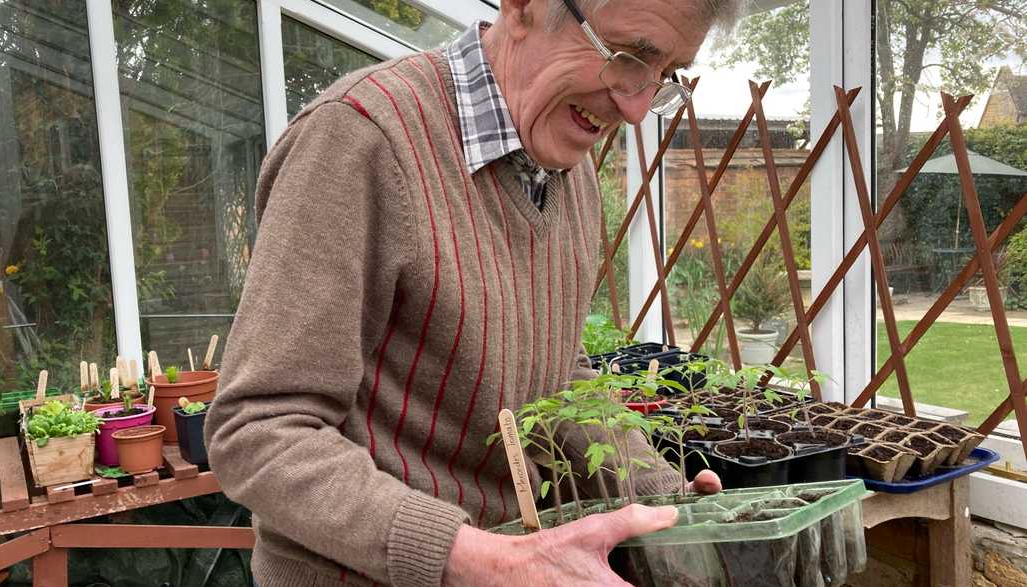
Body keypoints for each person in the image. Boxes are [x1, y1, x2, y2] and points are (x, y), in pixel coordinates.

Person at [206, 0, 735, 585]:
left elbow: (555, 376)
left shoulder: (565, 165)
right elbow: (258, 430)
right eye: (628, 57)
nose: (637, 109)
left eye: (665, 76)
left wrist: (663, 497)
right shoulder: (361, 139)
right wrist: (489, 562)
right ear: (523, 8)